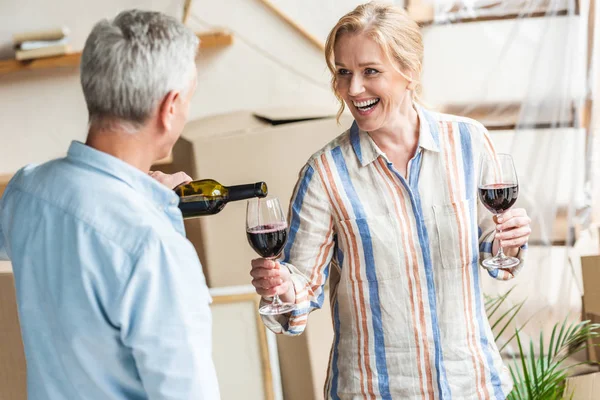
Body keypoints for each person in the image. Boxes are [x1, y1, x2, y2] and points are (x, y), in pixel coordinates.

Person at [250, 2, 531, 399]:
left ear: (410, 71)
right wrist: (279, 288)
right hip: (374, 390)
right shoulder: (325, 174)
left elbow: (494, 252)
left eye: (370, 72)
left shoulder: (469, 143)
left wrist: (510, 240)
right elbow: (302, 288)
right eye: (343, 73)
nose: (353, 89)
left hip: (473, 385)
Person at [0, 10, 219, 400]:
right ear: (169, 108)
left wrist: (142, 196)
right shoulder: (154, 250)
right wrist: (144, 209)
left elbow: (81, 220)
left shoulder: (26, 190)